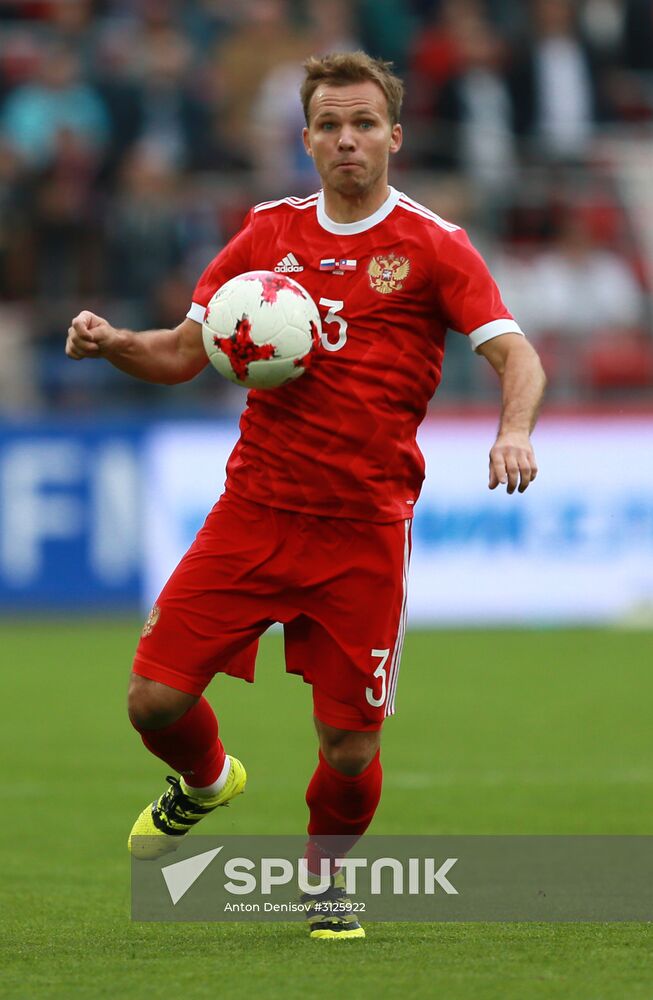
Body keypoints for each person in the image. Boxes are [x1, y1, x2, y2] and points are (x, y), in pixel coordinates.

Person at [65, 51, 546, 940]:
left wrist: (512, 428)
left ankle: (324, 882)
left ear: (394, 136)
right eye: (329, 125)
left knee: (349, 749)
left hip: (363, 531)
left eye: (364, 124)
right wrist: (113, 341)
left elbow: (516, 354)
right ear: (306, 140)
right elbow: (182, 350)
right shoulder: (265, 235)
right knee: (152, 702)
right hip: (255, 511)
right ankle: (208, 779)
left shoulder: (434, 246)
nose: (347, 140)